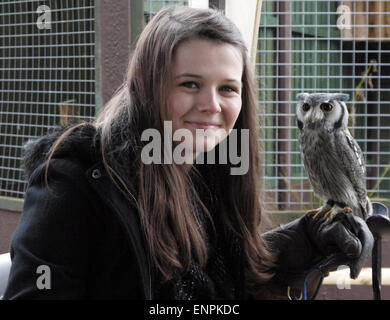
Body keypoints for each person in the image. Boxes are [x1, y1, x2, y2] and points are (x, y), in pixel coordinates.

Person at [3, 6, 373, 300]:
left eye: (228, 88)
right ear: (147, 87)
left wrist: (302, 242)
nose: (211, 105)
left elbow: (214, 287)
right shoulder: (74, 183)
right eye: (190, 84)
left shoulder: (215, 167)